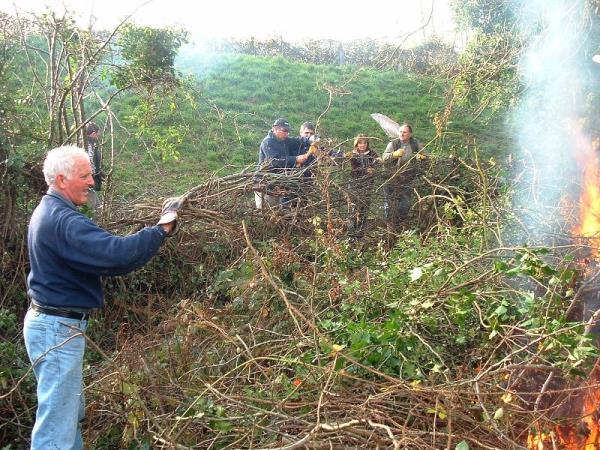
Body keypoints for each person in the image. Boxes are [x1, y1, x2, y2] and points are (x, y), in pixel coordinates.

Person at [23, 145, 178, 450]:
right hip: (56, 330)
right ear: (61, 179)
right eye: (85, 175)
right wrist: (161, 230)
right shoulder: (63, 221)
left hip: (53, 326)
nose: (92, 181)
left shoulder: (51, 211)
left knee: (67, 417)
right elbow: (116, 255)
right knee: (56, 429)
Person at [255, 118, 314, 208]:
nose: (287, 133)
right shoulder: (267, 142)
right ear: (275, 129)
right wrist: (295, 159)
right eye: (285, 130)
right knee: (267, 211)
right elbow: (274, 161)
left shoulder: (285, 140)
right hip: (265, 183)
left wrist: (310, 139)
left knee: (280, 212)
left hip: (279, 182)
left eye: (288, 131)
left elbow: (299, 141)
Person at [381, 123, 424, 232]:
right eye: (400, 132)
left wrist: (421, 157)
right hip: (391, 177)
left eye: (404, 132)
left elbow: (425, 156)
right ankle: (389, 226)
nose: (402, 134)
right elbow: (384, 157)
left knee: (405, 204)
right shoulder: (393, 144)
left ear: (410, 134)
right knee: (388, 204)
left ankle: (399, 224)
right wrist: (394, 154)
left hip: (406, 178)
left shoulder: (415, 144)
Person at [346, 134, 380, 236]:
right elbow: (354, 169)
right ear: (356, 143)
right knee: (353, 206)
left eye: (364, 143)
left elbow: (378, 162)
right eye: (360, 143)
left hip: (368, 184)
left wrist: (375, 166)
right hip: (354, 184)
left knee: (364, 207)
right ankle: (351, 231)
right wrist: (366, 170)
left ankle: (361, 231)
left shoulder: (372, 153)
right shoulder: (352, 154)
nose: (362, 145)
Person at [85, 122, 103, 211]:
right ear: (93, 133)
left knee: (98, 207)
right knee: (91, 209)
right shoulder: (86, 145)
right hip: (86, 183)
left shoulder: (89, 144)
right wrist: (95, 174)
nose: (98, 137)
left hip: (88, 181)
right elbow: (89, 162)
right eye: (97, 134)